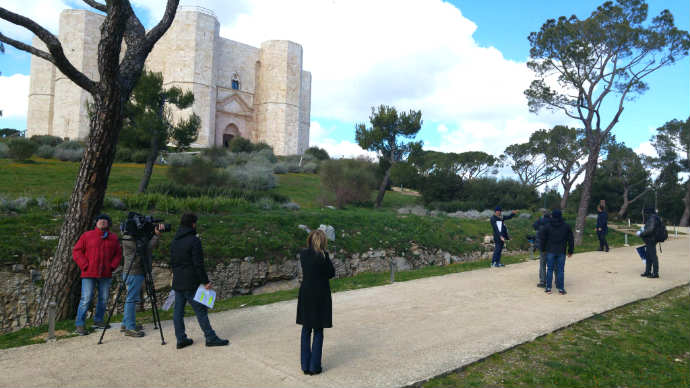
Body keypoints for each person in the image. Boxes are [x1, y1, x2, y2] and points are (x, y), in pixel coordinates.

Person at [170, 213, 229, 348]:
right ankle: (210, 337)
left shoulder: (174, 241)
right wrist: (205, 281)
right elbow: (198, 264)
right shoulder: (194, 240)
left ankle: (181, 339)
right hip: (191, 282)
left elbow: (173, 262)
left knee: (178, 312)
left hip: (178, 281)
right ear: (192, 224)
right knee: (200, 310)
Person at [72, 214, 122, 335]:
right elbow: (77, 251)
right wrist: (85, 265)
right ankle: (80, 324)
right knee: (86, 299)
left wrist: (111, 267)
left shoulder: (114, 238)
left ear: (108, 224)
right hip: (89, 273)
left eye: (105, 221)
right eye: (100, 220)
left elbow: (118, 255)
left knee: (104, 298)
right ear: (96, 222)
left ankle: (98, 320)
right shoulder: (87, 235)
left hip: (105, 273)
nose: (102, 222)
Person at [296, 229, 336, 375]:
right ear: (323, 241)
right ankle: (315, 366)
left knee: (306, 329)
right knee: (318, 330)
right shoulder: (323, 256)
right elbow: (331, 273)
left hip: (306, 293)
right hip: (320, 295)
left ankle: (305, 365)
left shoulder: (303, 254)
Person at [119, 224, 161, 337]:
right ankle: (130, 328)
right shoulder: (129, 239)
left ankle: (125, 323)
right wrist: (156, 236)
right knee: (131, 299)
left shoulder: (130, 237)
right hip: (134, 272)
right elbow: (146, 248)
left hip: (134, 272)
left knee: (131, 298)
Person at [538, 209, 574, 295]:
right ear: (561, 216)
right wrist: (570, 250)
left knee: (549, 269)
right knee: (561, 270)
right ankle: (561, 289)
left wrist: (542, 249)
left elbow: (543, 239)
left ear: (552, 216)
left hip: (550, 250)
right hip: (561, 250)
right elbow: (571, 239)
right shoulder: (566, 226)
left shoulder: (547, 226)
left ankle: (548, 288)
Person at [638, 207, 661, 278]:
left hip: (651, 240)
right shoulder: (653, 218)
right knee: (648, 256)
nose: (643, 214)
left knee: (653, 256)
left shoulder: (652, 219)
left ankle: (655, 273)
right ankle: (647, 271)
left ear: (647, 213)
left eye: (644, 213)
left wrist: (641, 233)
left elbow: (650, 230)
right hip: (650, 239)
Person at [533, 211, 552, 288]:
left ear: (543, 215)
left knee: (542, 264)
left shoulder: (540, 222)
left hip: (542, 247)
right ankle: (557, 281)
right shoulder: (552, 222)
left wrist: (539, 219)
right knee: (553, 265)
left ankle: (543, 281)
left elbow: (534, 226)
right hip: (551, 247)